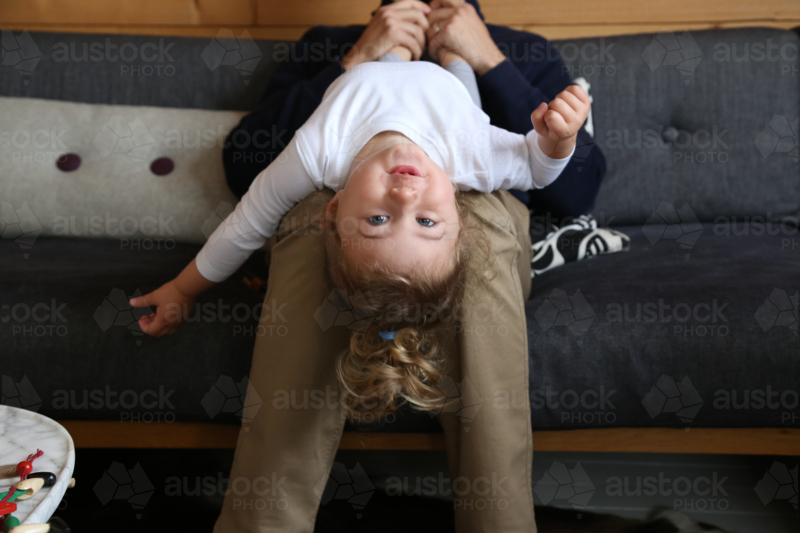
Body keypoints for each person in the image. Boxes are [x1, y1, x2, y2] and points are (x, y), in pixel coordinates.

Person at [129, 24, 591, 418]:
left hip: (374, 72)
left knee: (393, 57)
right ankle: (455, 60)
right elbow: (536, 168)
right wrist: (558, 140)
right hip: (453, 99)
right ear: (460, 213)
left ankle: (400, 51)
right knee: (465, 87)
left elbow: (248, 222)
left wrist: (183, 289)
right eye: (427, 222)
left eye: (378, 218)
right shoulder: (472, 156)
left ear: (333, 207)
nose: (405, 195)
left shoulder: (319, 151)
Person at [223, 0, 606, 221]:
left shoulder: (525, 51)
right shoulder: (325, 45)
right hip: (339, 221)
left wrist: (490, 61)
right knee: (315, 226)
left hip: (486, 229)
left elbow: (578, 194)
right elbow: (243, 168)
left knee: (481, 230)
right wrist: (357, 59)